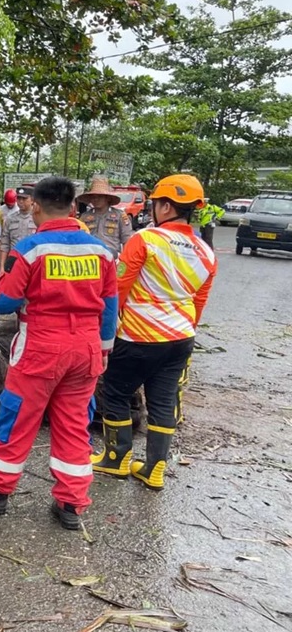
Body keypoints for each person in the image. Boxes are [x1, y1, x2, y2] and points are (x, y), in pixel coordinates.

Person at [0, 176, 118, 530]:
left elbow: (5, 303)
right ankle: (71, 504)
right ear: (73, 208)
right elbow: (110, 306)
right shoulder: (101, 251)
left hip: (40, 347)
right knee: (74, 426)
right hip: (85, 349)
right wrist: (103, 350)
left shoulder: (29, 249)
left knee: (19, 419)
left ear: (36, 207)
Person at [92, 174, 217, 489]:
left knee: (117, 392)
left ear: (165, 205)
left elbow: (119, 288)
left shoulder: (145, 239)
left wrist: (105, 329)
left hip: (137, 336)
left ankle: (116, 459)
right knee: (163, 401)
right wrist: (184, 328)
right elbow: (199, 301)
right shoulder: (206, 251)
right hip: (180, 338)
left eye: (155, 203)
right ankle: (154, 468)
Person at [77, 176, 132, 259]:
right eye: (93, 196)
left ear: (107, 198)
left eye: (99, 196)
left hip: (112, 257)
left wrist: (125, 261)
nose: (96, 199)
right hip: (90, 257)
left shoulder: (120, 215)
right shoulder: (84, 217)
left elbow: (127, 241)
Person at [0, 187, 37, 274]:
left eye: (24, 198)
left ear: (32, 200)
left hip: (32, 262)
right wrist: (2, 267)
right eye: (19, 198)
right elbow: (5, 244)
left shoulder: (37, 218)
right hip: (13, 261)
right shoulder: (10, 219)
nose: (20, 201)